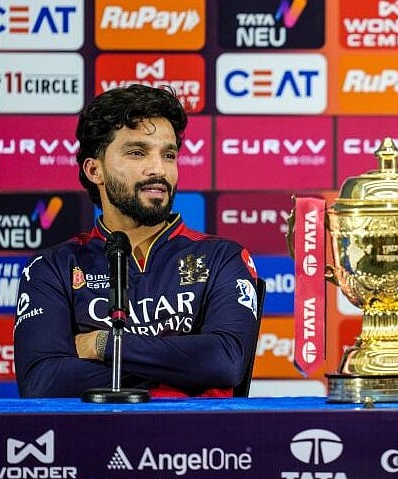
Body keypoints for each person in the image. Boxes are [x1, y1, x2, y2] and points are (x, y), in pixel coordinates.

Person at [14, 85, 260, 398]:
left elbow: (225, 362)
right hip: (91, 444)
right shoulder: (52, 267)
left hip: (197, 443)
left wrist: (103, 344)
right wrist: (181, 373)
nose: (158, 169)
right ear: (95, 170)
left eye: (168, 155)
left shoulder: (222, 257)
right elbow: (43, 381)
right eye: (137, 152)